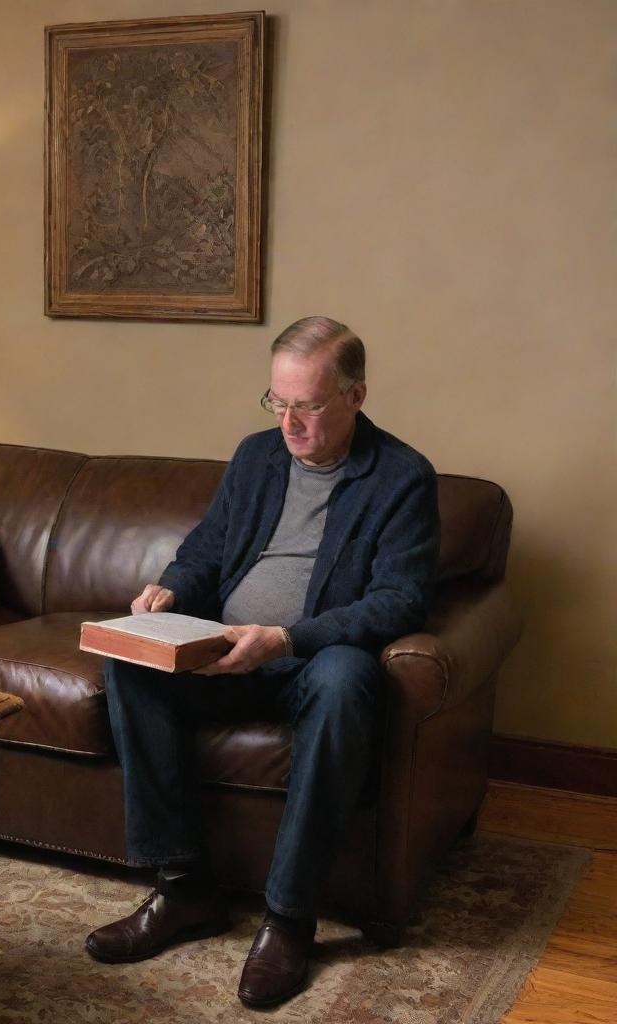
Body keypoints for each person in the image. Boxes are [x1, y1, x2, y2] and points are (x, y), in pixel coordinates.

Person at [85, 316, 440, 1007]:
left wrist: (285, 638)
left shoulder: (402, 478)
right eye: (278, 402)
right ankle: (184, 889)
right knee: (131, 662)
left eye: (306, 405)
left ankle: (289, 916)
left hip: (313, 661)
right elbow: (208, 548)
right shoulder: (255, 457)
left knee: (346, 680)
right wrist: (173, 588)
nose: (290, 423)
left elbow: (399, 602)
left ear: (355, 395)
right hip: (225, 653)